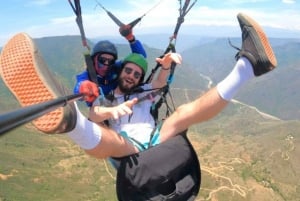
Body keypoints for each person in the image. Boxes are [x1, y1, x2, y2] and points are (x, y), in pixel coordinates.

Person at [0, 13, 277, 160]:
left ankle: (249, 66)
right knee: (112, 140)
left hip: (156, 139)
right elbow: (96, 113)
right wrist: (112, 111)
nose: (132, 76)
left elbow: (156, 80)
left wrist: (166, 64)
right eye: (128, 71)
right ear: (121, 72)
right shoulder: (106, 94)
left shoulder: (144, 92)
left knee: (180, 115)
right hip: (125, 146)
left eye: (136, 73)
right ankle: (69, 122)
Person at [73, 25, 147, 106]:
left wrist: (131, 39)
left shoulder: (115, 68)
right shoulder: (88, 75)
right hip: (100, 113)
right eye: (102, 60)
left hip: (122, 105)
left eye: (110, 61)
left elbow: (140, 58)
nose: (106, 65)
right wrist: (82, 87)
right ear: (94, 59)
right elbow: (79, 88)